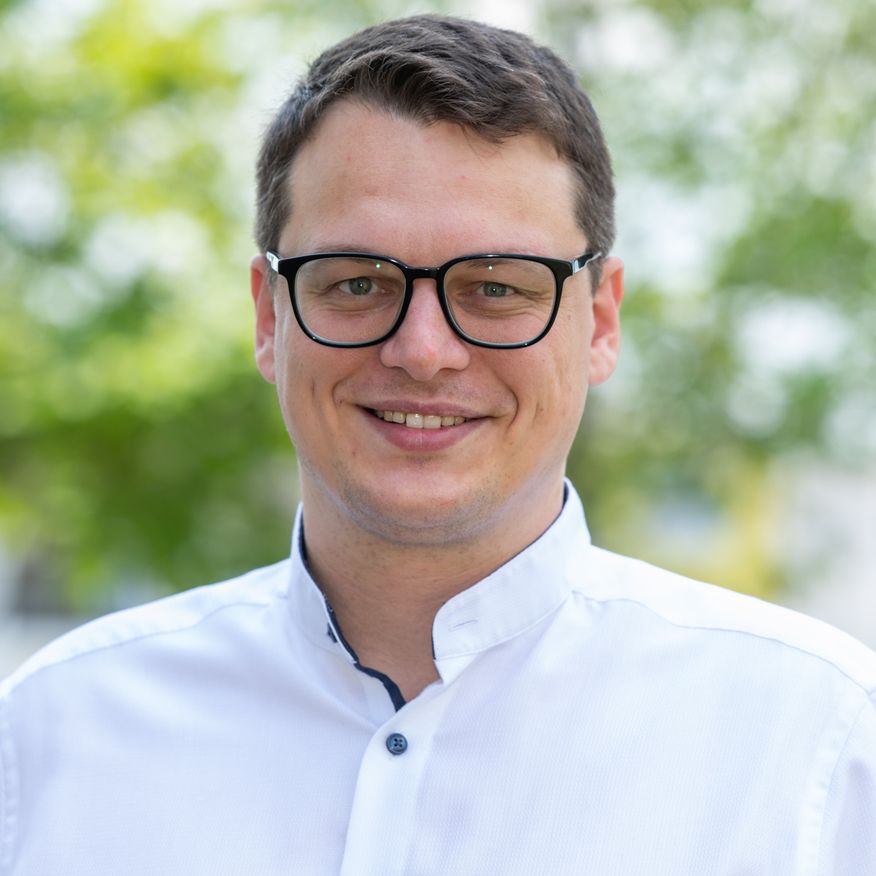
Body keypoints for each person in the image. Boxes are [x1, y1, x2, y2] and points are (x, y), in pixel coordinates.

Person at [1, 14, 874, 875]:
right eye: (357, 283)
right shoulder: (50, 740)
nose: (423, 351)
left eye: (496, 287)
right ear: (270, 318)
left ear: (601, 322)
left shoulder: (818, 751)